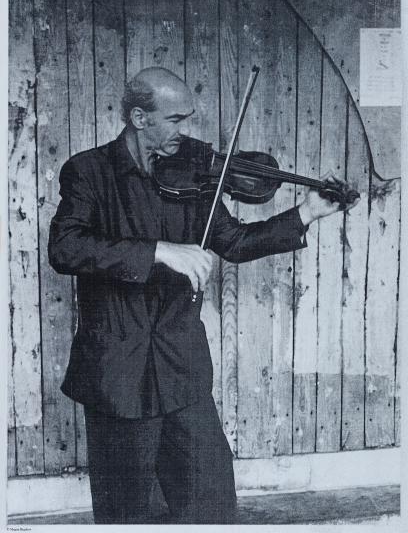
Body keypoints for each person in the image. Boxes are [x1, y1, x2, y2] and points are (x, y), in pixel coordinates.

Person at [49, 67, 357, 524]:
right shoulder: (88, 171)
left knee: (210, 497)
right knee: (126, 510)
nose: (185, 131)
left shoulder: (193, 173)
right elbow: (66, 247)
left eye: (187, 119)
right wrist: (158, 250)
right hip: (117, 369)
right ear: (139, 117)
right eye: (175, 119)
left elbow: (234, 243)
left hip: (180, 365)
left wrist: (307, 212)